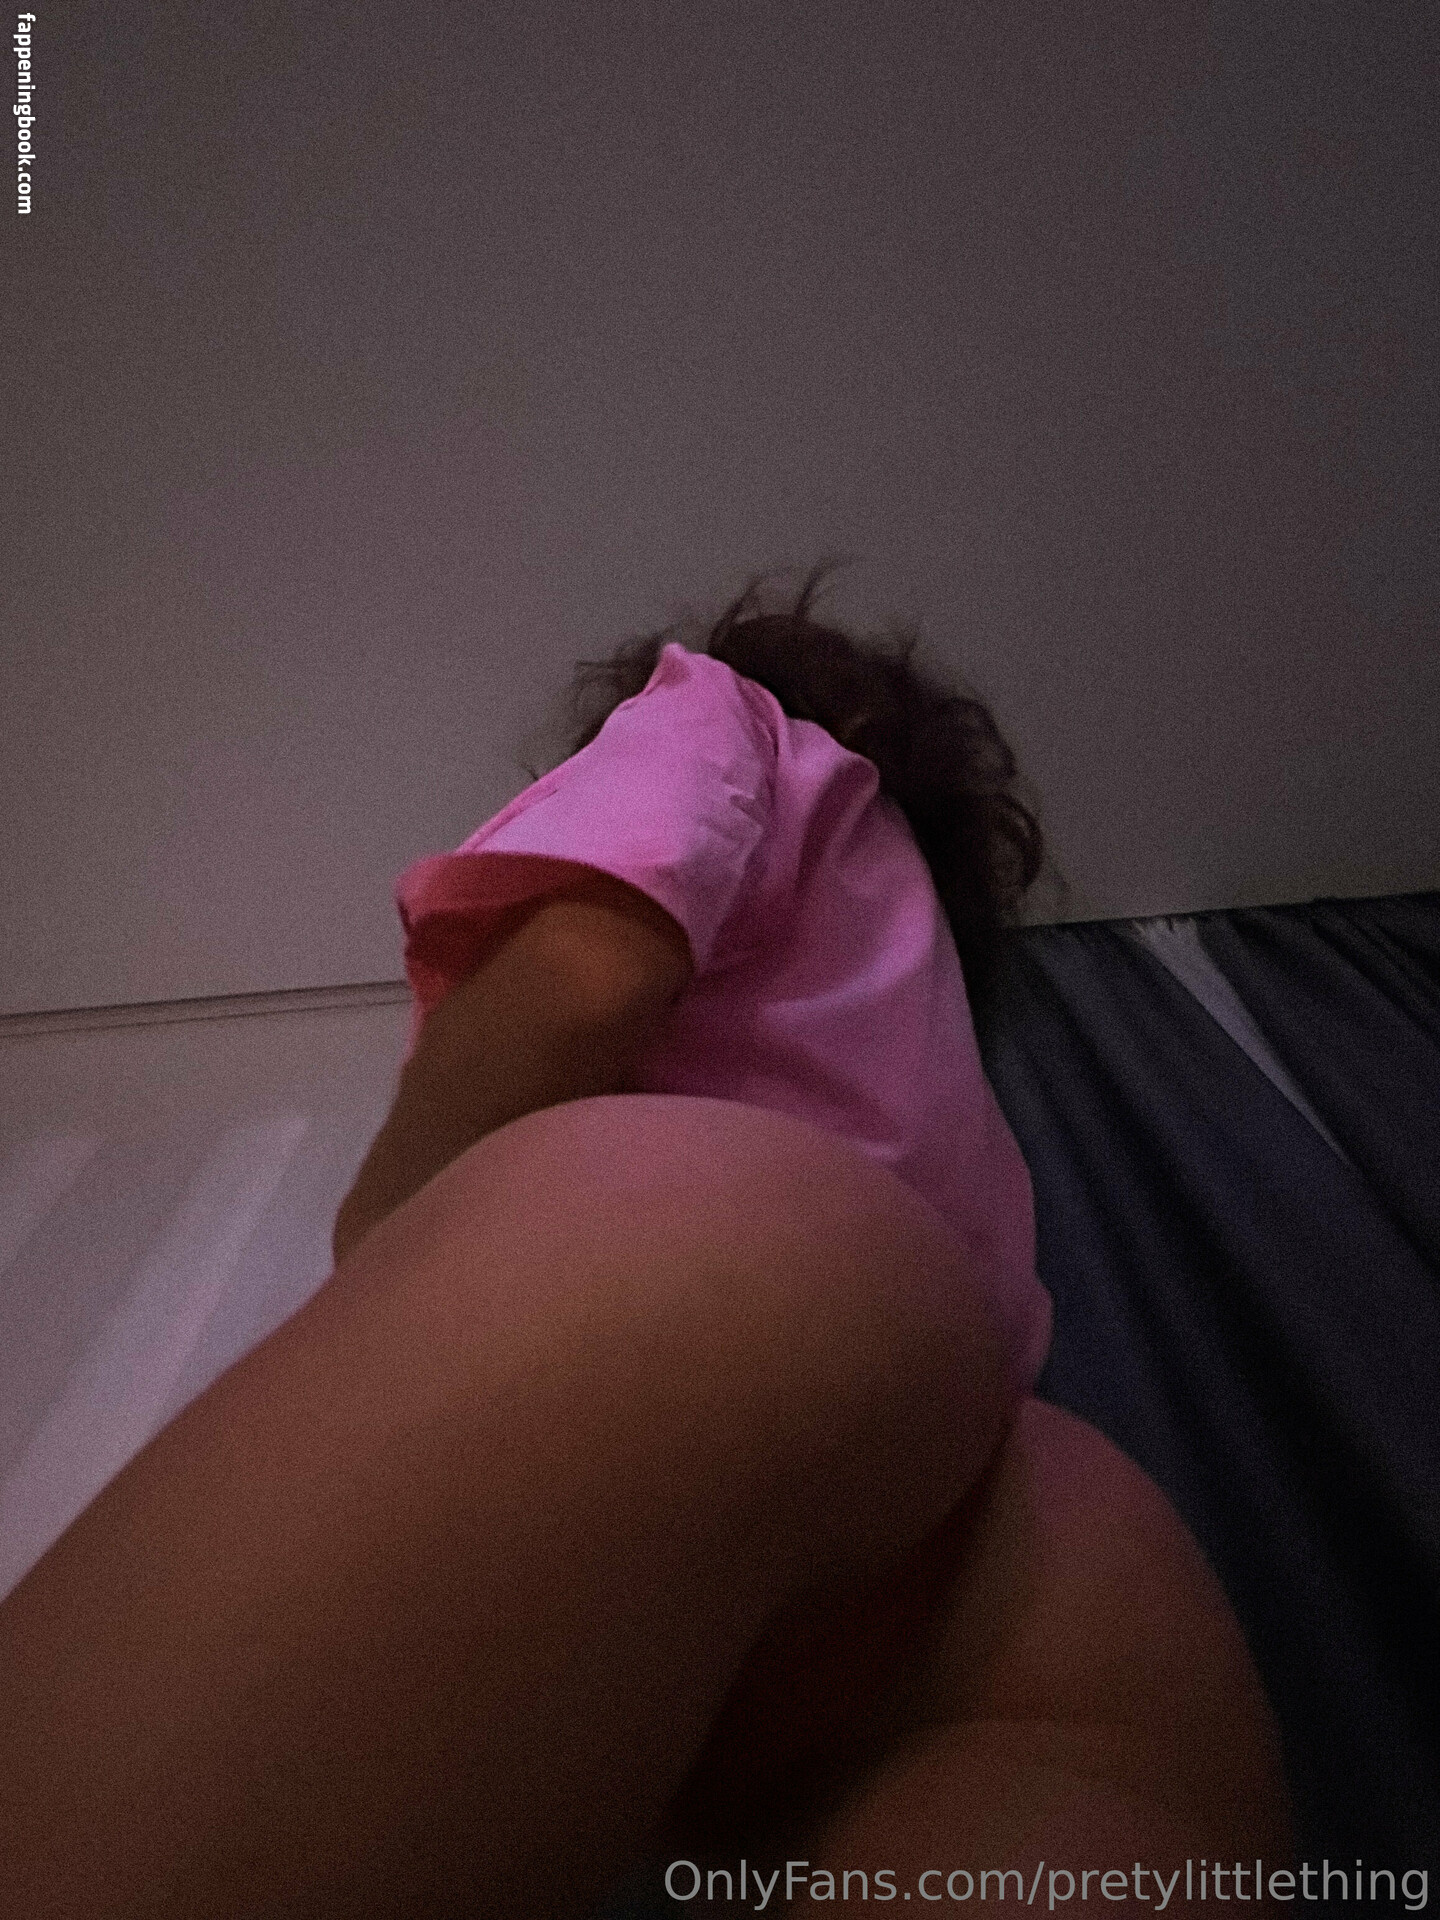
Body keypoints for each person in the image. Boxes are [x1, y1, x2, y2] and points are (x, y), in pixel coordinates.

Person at [0, 567, 1293, 1916]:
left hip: (725, 1291)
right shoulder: (922, 980)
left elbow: (586, 971)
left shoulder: (723, 714)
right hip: (1038, 1522)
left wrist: (384, 1232)